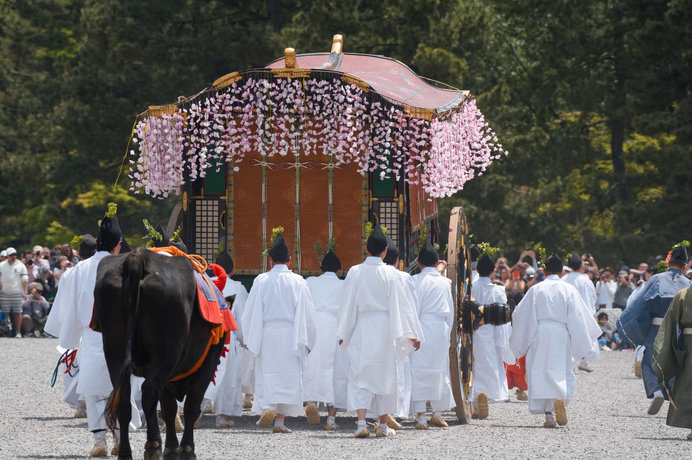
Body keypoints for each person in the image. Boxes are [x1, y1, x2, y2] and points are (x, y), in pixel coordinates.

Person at [53, 207, 140, 456]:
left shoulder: (78, 270)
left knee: (93, 391)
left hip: (91, 337)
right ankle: (121, 440)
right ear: (119, 244)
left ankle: (98, 442)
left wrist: (69, 336)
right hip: (122, 338)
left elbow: (70, 306)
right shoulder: (125, 265)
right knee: (122, 387)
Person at [336, 225, 422, 438]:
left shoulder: (355, 271)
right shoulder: (390, 274)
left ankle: (362, 423)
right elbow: (401, 304)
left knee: (360, 374)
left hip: (362, 327)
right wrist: (411, 332)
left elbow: (347, 305)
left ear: (367, 249)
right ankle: (382, 425)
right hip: (385, 328)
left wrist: (343, 333)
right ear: (385, 251)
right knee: (385, 375)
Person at [510, 253, 601, 428]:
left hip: (540, 332)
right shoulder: (568, 289)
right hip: (561, 332)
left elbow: (521, 313)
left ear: (544, 271)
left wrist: (520, 341)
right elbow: (578, 317)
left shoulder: (536, 289)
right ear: (561, 272)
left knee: (540, 371)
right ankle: (561, 398)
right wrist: (581, 343)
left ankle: (548, 415)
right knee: (562, 369)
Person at [241, 231, 316, 434]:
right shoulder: (299, 281)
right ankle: (280, 421)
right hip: (291, 333)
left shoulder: (261, 280)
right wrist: (307, 340)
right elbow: (308, 313)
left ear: (270, 260)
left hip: (267, 333)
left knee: (267, 373)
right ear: (290, 261)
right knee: (289, 375)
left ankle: (268, 409)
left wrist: (249, 337)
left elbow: (251, 311)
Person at [617, 245, 692, 416]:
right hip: (678, 330)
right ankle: (673, 395)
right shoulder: (688, 284)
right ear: (685, 266)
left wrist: (639, 327)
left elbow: (641, 304)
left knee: (649, 361)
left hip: (657, 327)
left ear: (668, 263)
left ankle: (657, 391)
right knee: (675, 363)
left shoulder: (656, 279)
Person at [410, 239, 454, 429]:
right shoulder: (445, 283)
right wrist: (448, 332)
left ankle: (421, 417)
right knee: (440, 371)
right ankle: (437, 412)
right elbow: (451, 311)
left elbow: (412, 309)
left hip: (420, 326)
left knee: (418, 371)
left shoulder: (414, 281)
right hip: (440, 327)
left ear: (418, 263)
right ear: (437, 263)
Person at [302, 250, 345, 430]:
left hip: (314, 325)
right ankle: (331, 419)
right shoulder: (343, 285)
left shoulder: (310, 282)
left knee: (312, 365)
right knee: (333, 370)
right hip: (335, 327)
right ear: (339, 271)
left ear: (320, 268)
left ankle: (311, 400)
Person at [208, 251, 249, 428]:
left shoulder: (206, 283)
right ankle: (222, 416)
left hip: (206, 334)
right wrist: (244, 340)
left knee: (205, 372)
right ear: (232, 271)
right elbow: (242, 319)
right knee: (227, 376)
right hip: (227, 335)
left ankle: (194, 412)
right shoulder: (238, 288)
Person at [471, 253, 515, 419]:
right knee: (490, 364)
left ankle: (475, 403)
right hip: (491, 332)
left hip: (473, 332)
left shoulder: (470, 288)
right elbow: (503, 319)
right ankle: (486, 396)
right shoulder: (498, 290)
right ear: (493, 271)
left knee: (472, 365)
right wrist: (503, 342)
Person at [652, 286, 692, 441]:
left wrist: (667, 350)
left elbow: (669, 326)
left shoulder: (683, 295)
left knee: (689, 384)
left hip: (690, 345)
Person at [562, 252, 599, 372]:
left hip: (566, 313)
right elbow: (591, 297)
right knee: (585, 338)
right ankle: (583, 361)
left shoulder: (564, 279)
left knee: (568, 338)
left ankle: (570, 363)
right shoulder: (585, 280)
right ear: (581, 266)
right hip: (583, 313)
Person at [0, 247, 29, 337]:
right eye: (11, 255)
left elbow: (24, 279)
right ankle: (5, 330)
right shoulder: (1, 265)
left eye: (15, 254)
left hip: (17, 292)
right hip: (4, 292)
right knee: (5, 312)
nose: (13, 256)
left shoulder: (21, 265)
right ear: (7, 256)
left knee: (18, 312)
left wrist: (25, 292)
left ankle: (18, 331)